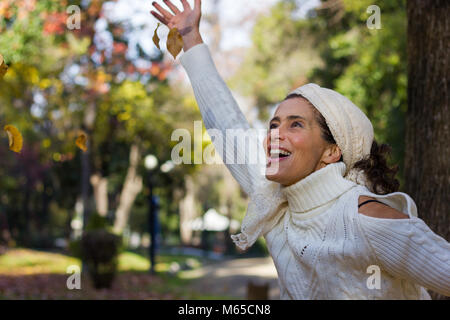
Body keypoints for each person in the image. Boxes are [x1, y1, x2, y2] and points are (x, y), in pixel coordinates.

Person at [150, 0, 450, 299]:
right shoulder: (274, 202)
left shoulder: (367, 220)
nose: (276, 135)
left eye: (295, 125)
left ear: (332, 152)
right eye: (274, 124)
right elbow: (228, 125)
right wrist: (190, 38)